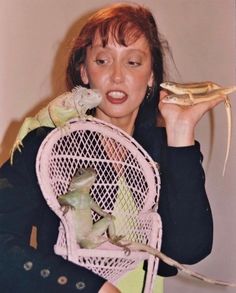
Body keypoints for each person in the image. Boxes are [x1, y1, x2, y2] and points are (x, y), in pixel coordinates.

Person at [0, 2, 225, 292]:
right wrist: (90, 287)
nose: (117, 76)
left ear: (152, 76)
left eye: (133, 62)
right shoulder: (49, 145)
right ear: (84, 72)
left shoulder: (159, 151)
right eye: (102, 61)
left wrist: (181, 134)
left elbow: (187, 250)